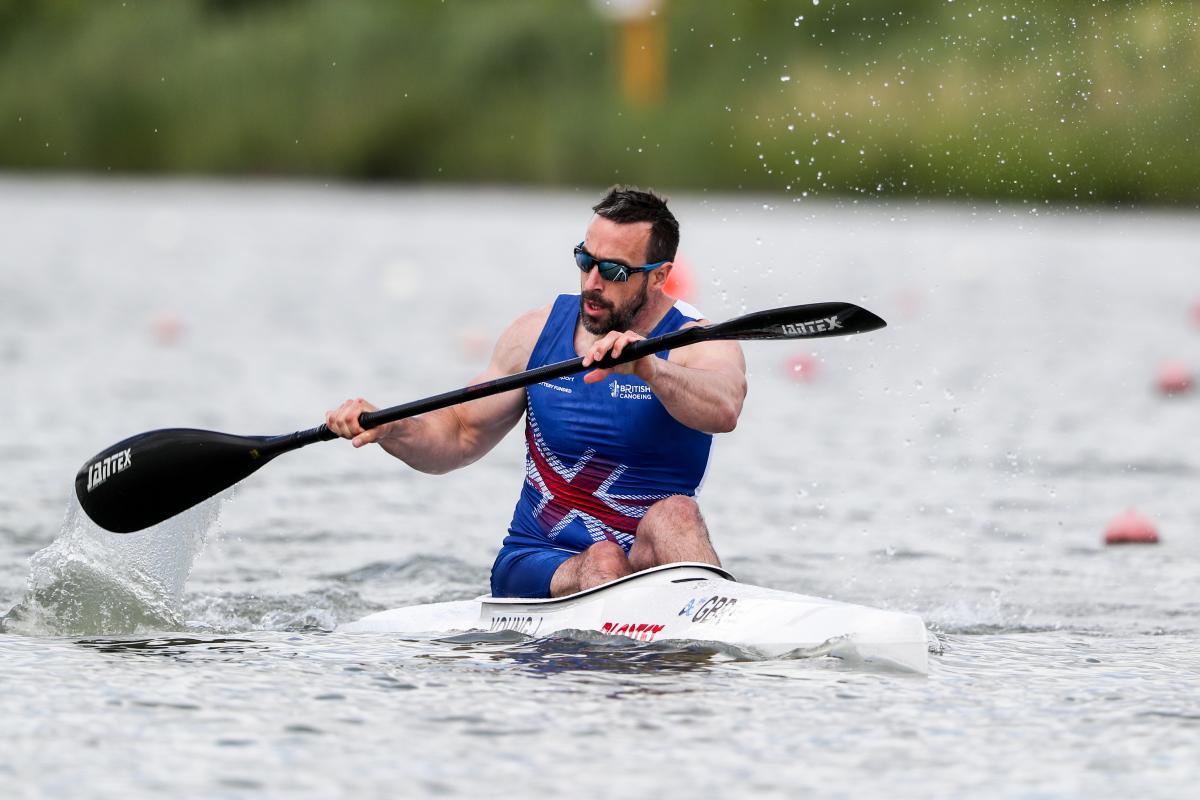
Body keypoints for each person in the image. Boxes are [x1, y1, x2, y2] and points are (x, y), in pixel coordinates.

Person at [326, 187, 747, 598]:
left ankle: (715, 624)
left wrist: (649, 368)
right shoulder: (534, 335)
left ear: (659, 276)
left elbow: (725, 406)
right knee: (602, 559)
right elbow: (458, 433)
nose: (592, 282)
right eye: (585, 260)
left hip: (641, 560)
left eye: (614, 271)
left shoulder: (699, 342)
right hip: (538, 563)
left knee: (677, 514)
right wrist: (390, 428)